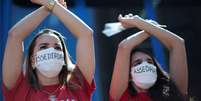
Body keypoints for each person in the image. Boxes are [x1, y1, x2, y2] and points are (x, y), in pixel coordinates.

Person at [2, 0, 95, 101]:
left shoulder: (78, 84)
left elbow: (86, 34)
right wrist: (48, 6)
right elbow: (15, 35)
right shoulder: (19, 88)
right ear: (32, 60)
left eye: (57, 47)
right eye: (43, 47)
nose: (51, 50)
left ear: (64, 58)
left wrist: (52, 5)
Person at [109, 14, 188, 101]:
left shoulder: (172, 93)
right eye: (138, 63)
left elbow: (178, 44)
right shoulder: (121, 97)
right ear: (129, 76)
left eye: (150, 61)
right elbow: (124, 47)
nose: (145, 64)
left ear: (156, 70)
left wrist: (140, 23)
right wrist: (149, 26)